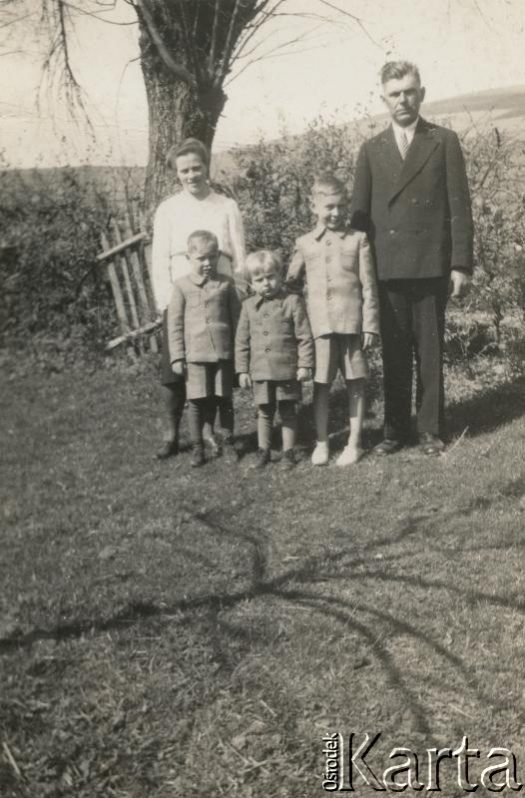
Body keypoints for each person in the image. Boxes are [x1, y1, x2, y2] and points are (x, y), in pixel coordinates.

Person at [351, 61, 473, 456]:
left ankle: (430, 429)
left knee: (430, 350)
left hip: (430, 264)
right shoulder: (371, 150)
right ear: (383, 99)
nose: (402, 100)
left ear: (421, 93)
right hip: (387, 268)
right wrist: (360, 275)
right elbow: (359, 218)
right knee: (395, 350)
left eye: (409, 91)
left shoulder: (444, 141)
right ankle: (394, 429)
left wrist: (460, 264)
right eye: (394, 93)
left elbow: (459, 206)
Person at [151, 137, 246, 459]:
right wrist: (166, 302)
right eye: (184, 170)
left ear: (207, 167)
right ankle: (170, 433)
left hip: (219, 296)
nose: (191, 175)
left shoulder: (226, 206)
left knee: (217, 365)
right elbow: (159, 259)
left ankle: (213, 432)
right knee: (175, 369)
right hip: (181, 297)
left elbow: (240, 257)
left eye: (197, 168)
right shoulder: (168, 209)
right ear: (177, 174)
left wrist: (238, 293)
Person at [286, 174, 380, 466]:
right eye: (329, 207)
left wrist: (370, 325)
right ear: (314, 207)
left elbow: (369, 286)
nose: (336, 213)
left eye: (341, 206)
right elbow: (290, 284)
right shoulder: (304, 243)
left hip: (351, 325)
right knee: (322, 385)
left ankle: (354, 442)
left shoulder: (358, 239)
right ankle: (322, 442)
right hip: (320, 328)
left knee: (355, 383)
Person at [166, 230, 240, 468]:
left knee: (224, 398)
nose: (207, 263)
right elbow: (174, 324)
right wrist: (177, 356)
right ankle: (198, 447)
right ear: (189, 258)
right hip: (195, 356)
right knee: (196, 402)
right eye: (201, 259)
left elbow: (237, 320)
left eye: (212, 257)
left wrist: (240, 352)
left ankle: (228, 441)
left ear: (218, 256)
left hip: (223, 353)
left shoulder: (227, 284)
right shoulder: (181, 286)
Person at [235, 250, 314, 469]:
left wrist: (305, 365)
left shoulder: (292, 301)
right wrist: (242, 370)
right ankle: (264, 451)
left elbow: (304, 336)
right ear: (251, 283)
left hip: (286, 368)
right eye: (259, 280)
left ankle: (288, 452)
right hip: (260, 370)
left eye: (270, 277)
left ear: (280, 275)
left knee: (287, 410)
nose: (266, 284)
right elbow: (241, 341)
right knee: (264, 411)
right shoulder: (248, 307)